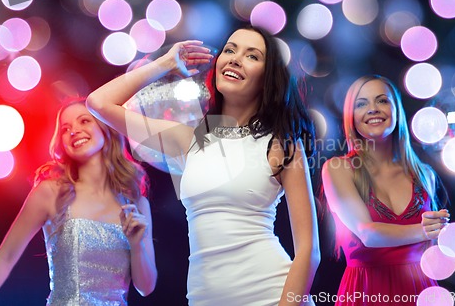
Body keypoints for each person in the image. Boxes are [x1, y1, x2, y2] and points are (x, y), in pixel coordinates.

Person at [86, 25, 320, 306]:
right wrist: (166, 62)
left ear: (267, 79)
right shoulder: (189, 140)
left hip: (270, 296)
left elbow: (309, 251)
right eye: (230, 50)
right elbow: (98, 103)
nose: (235, 58)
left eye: (252, 56)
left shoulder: (282, 146)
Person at [0, 97, 157, 305]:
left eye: (84, 121)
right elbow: (5, 256)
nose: (74, 131)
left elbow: (146, 287)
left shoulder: (136, 203)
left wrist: (137, 245)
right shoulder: (50, 192)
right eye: (65, 128)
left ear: (104, 129)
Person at [322, 75, 450, 306]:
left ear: (396, 110)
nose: (372, 109)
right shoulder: (338, 169)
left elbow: (431, 253)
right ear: (351, 117)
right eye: (361, 104)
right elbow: (368, 234)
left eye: (382, 101)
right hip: (365, 292)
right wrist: (425, 230)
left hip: (421, 291)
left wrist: (443, 232)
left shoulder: (425, 174)